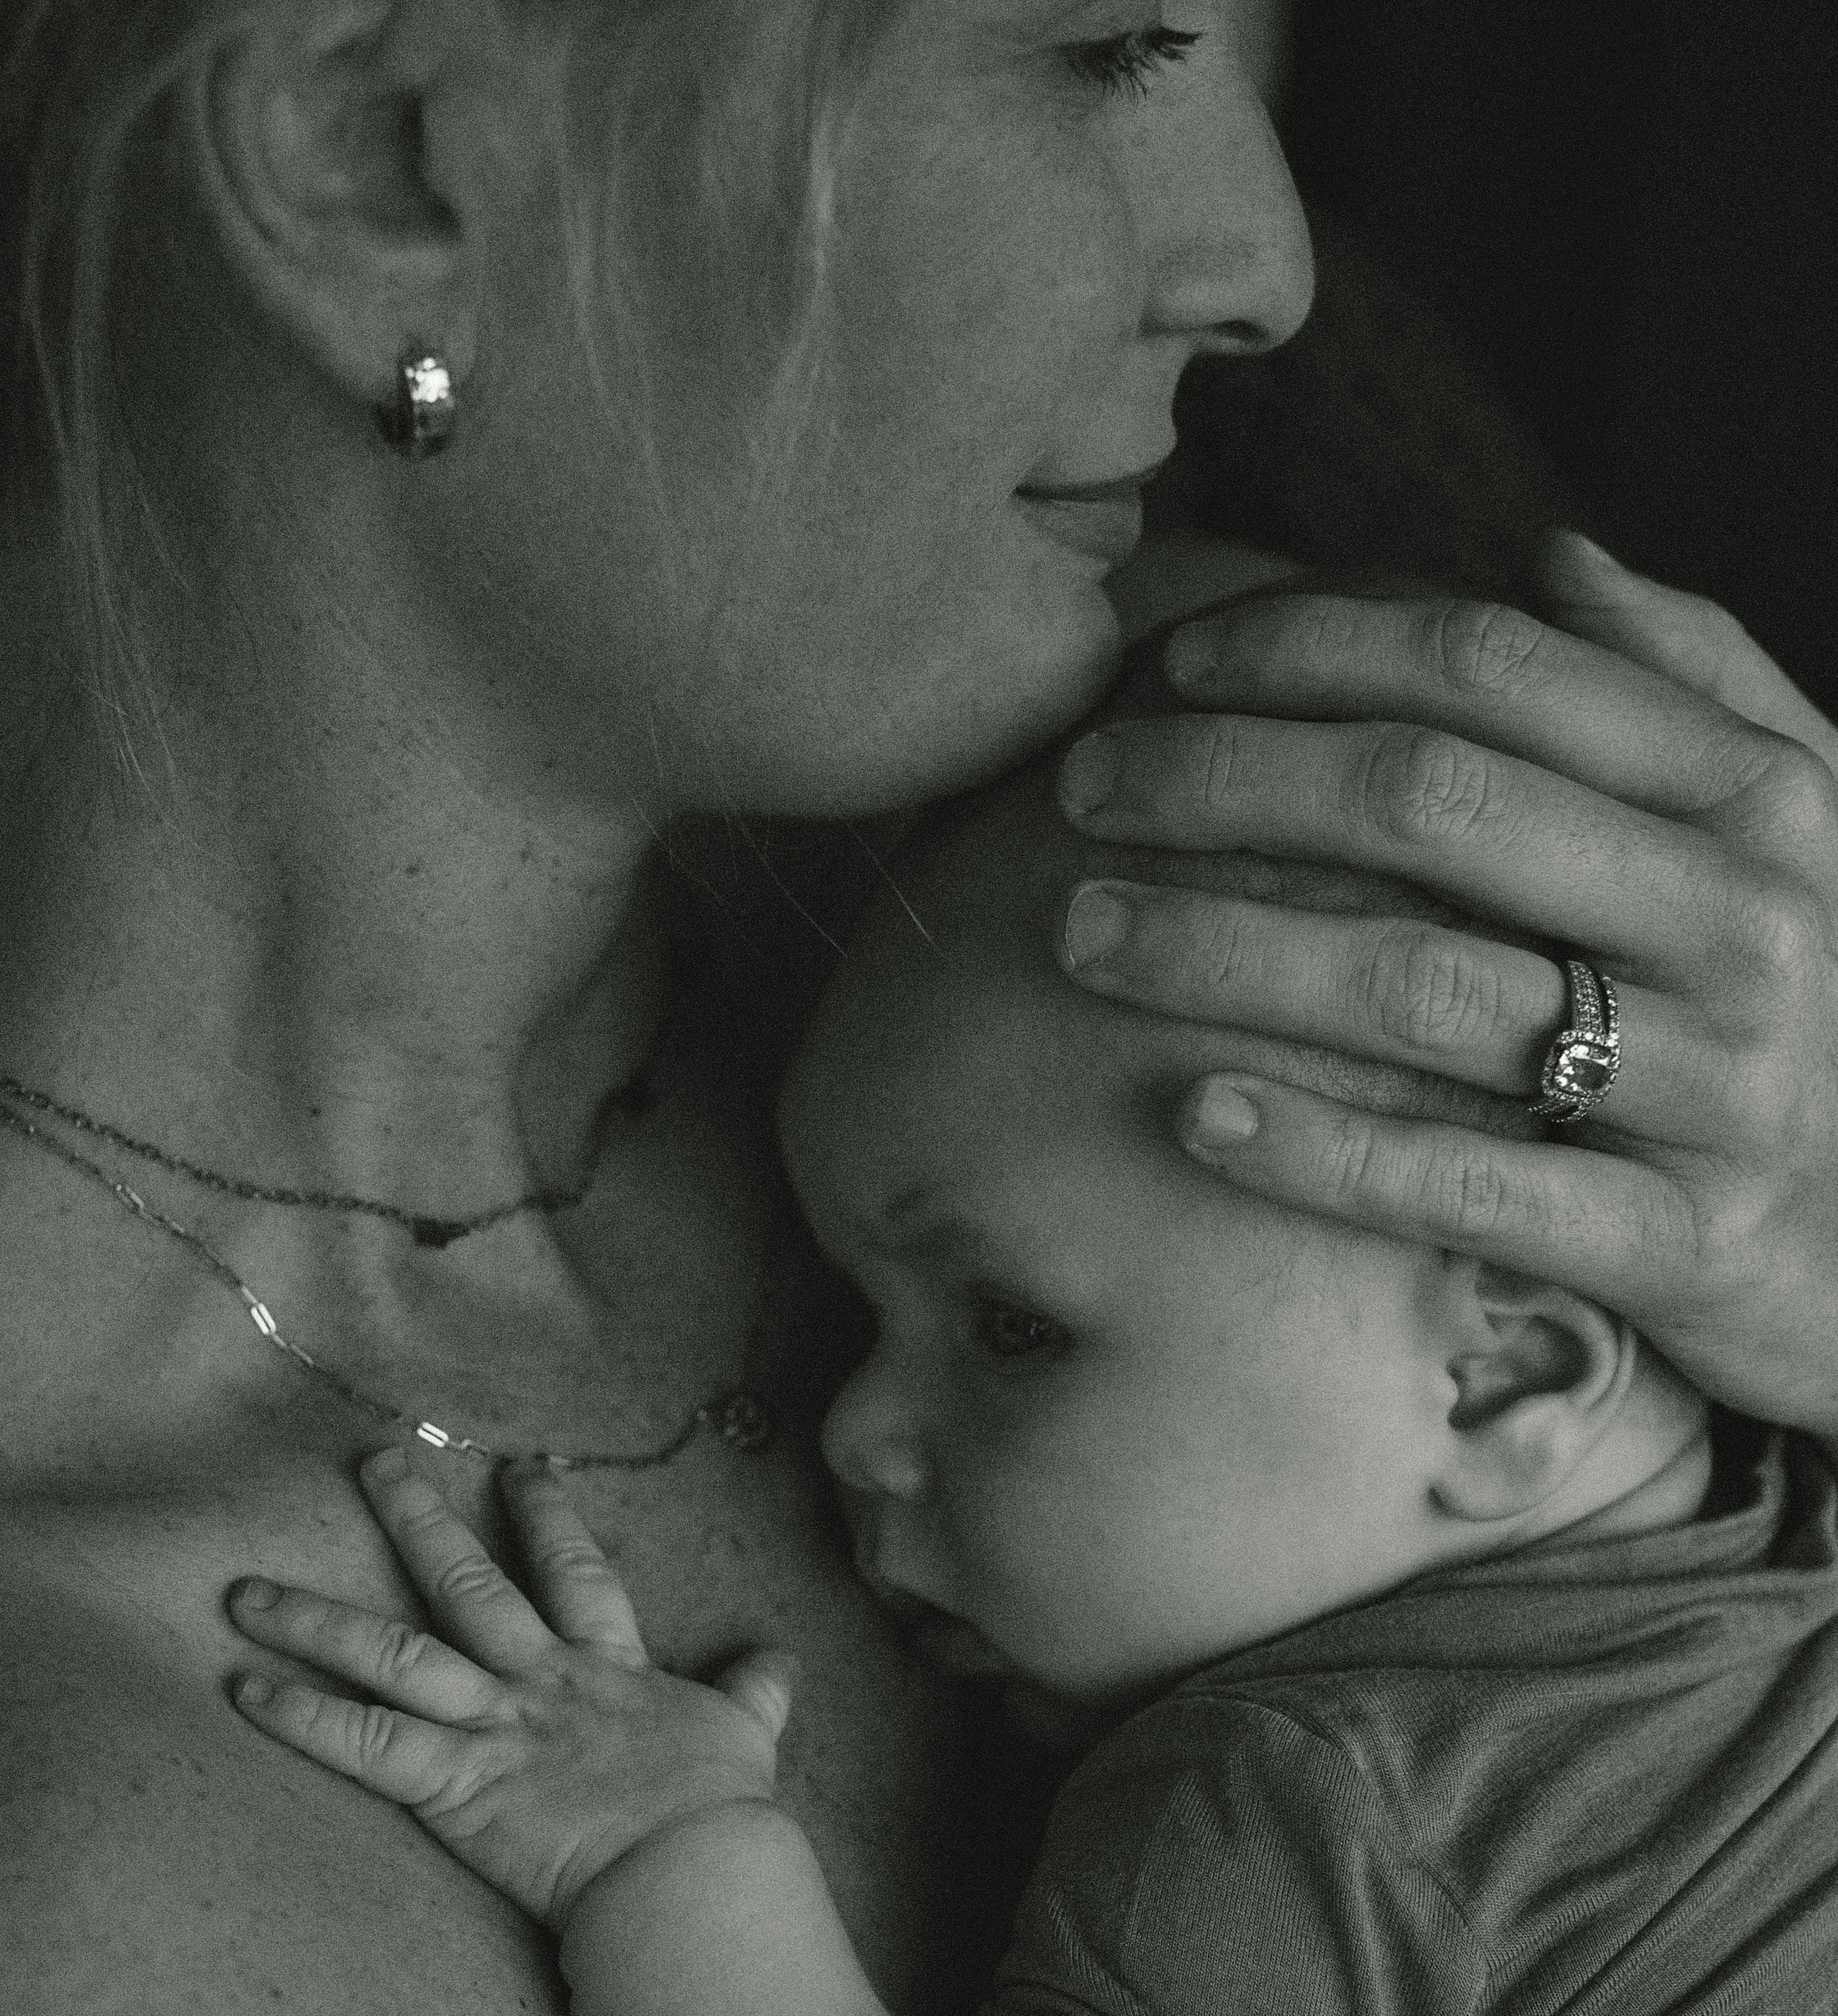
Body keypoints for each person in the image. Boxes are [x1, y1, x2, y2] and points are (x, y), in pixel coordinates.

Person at [4, 1, 1838, 2009]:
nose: (1268, 267)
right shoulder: (79, 1799)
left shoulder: (1323, 800)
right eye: (1104, 44)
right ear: (370, 149)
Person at [218, 740, 1838, 2010]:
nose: (851, 1431)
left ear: (1501, 1381)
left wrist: (662, 1855)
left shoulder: (1294, 1810)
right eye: (855, 1315)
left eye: (1012, 1329)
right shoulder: (1789, 1529)